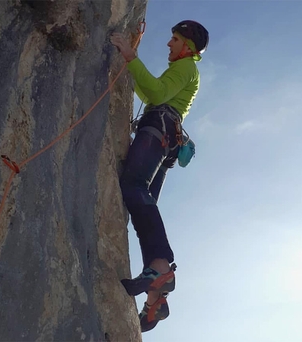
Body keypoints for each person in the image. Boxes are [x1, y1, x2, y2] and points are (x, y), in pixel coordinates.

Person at [110, 20, 209, 332]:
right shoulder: (185, 71)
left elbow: (154, 91)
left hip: (159, 131)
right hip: (167, 135)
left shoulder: (187, 67)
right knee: (143, 205)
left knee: (133, 186)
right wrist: (131, 68)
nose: (169, 44)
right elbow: (153, 94)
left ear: (188, 46)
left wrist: (129, 54)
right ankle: (155, 298)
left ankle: (160, 268)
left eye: (174, 39)